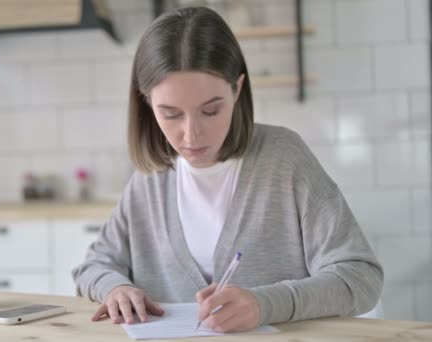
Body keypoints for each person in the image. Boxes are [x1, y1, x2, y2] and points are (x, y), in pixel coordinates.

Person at [72, 6, 383, 333]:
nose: (191, 135)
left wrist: (265, 304)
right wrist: (115, 288)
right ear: (147, 102)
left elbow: (361, 278)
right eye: (171, 114)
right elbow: (94, 266)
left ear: (237, 89)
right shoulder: (149, 180)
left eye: (210, 110)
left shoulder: (284, 159)